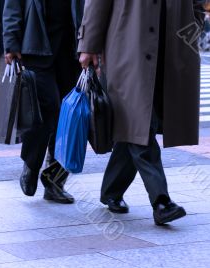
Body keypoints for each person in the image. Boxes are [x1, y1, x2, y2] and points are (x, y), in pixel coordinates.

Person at [78, 0, 208, 225]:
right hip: (128, 50)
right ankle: (161, 201)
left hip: (171, 51)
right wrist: (88, 45)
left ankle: (112, 190)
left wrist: (192, 28)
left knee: (136, 124)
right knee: (140, 123)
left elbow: (197, 3)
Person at [3, 0, 85, 204]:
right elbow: (13, 8)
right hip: (35, 51)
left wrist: (92, 46)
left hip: (70, 53)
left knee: (68, 118)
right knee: (47, 111)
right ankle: (31, 164)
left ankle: (54, 182)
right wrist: (11, 42)